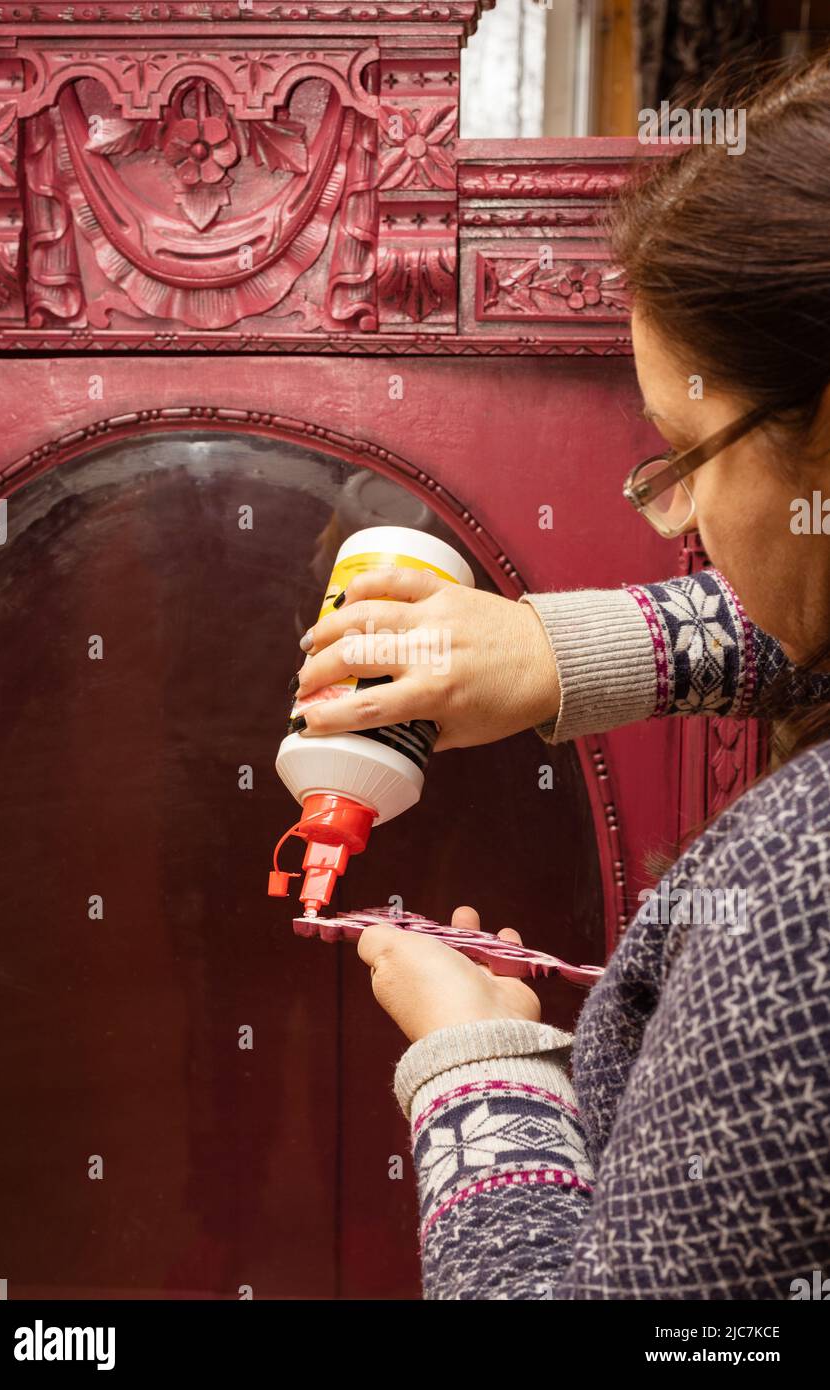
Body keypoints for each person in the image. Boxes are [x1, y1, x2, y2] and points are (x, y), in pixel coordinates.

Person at [291, 53, 830, 1299]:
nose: (669, 518)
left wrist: (478, 1065)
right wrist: (553, 652)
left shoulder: (796, 900)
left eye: (692, 453)